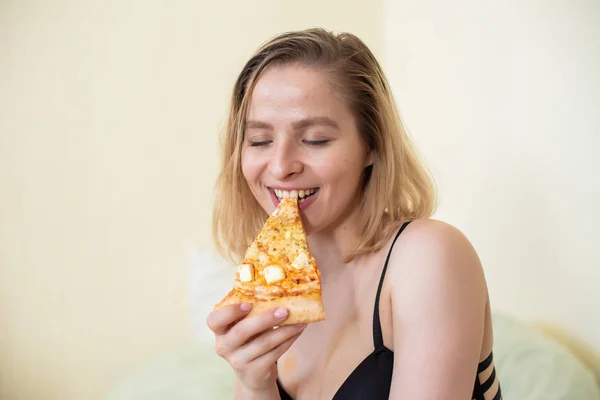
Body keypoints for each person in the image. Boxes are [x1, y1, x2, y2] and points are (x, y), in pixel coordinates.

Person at [206, 28, 501, 400]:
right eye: (259, 141)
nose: (280, 167)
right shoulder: (274, 290)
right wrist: (254, 382)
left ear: (371, 146)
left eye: (314, 139)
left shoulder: (427, 256)